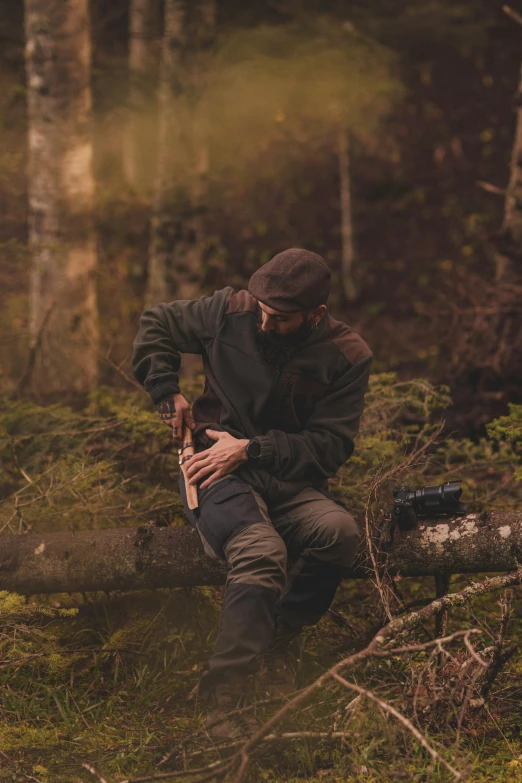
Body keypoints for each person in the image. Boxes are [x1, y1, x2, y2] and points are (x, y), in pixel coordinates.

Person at [132, 248, 372, 738]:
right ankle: (227, 699)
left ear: (316, 314)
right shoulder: (230, 311)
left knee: (340, 532)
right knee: (261, 551)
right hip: (211, 467)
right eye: (262, 310)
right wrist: (165, 388)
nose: (265, 324)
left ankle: (279, 640)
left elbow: (330, 447)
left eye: (281, 318)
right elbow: (157, 321)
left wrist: (253, 449)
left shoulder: (347, 356)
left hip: (284, 476)